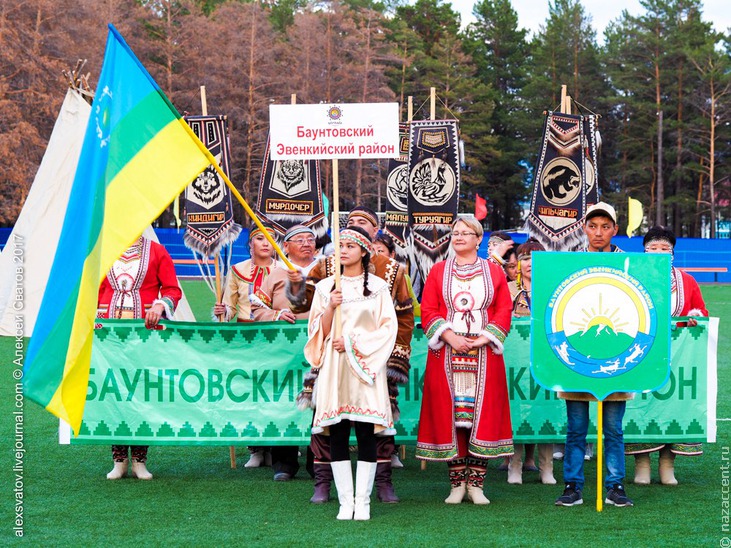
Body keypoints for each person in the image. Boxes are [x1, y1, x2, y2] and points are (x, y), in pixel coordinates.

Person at [291, 206, 414, 504]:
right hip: (332, 361)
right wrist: (297, 283)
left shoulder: (393, 271)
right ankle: (325, 483)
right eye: (349, 224)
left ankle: (379, 485)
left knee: (375, 427)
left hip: (374, 359)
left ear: (371, 236)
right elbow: (301, 306)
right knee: (329, 425)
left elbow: (403, 317)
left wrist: (389, 357)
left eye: (363, 223)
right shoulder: (325, 269)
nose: (354, 227)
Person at [416, 216, 514, 505]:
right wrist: (450, 336)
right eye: (454, 233)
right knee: (453, 418)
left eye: (465, 233)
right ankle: (457, 483)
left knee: (479, 418)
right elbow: (429, 308)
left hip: (483, 353)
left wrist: (484, 338)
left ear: (478, 239)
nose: (458, 237)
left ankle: (477, 484)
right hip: (447, 352)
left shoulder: (494, 272)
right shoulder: (438, 270)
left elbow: (503, 308)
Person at [304, 226, 397, 520]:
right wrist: (331, 306)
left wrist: (354, 343)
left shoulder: (379, 288)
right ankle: (346, 501)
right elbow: (317, 331)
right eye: (340, 245)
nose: (343, 250)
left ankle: (363, 501)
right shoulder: (325, 288)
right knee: (338, 431)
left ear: (363, 251)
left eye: (350, 246)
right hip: (335, 367)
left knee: (367, 431)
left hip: (365, 368)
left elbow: (387, 329)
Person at [556, 201, 634, 507]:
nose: (598, 232)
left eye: (605, 226)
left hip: (618, 357)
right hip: (578, 357)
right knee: (576, 428)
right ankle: (573, 485)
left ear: (615, 229)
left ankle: (615, 486)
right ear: (583, 228)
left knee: (613, 428)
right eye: (592, 226)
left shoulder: (629, 263)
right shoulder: (570, 263)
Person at [626, 226, 708, 485]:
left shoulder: (687, 281)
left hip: (678, 357)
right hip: (642, 356)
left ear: (673, 253)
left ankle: (667, 463)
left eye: (665, 249)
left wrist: (695, 318)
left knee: (672, 405)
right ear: (644, 251)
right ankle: (641, 464)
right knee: (641, 406)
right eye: (653, 248)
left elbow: (701, 312)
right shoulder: (631, 279)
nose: (659, 253)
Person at [98, 235, 182, 480]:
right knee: (114, 394)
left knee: (141, 393)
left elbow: (172, 289)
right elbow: (92, 287)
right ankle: (119, 459)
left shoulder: (156, 251)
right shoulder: (103, 249)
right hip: (108, 334)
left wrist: (160, 305)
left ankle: (139, 460)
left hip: (144, 336)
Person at [250, 225, 319, 481]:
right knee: (285, 400)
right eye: (298, 239)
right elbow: (255, 308)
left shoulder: (326, 270)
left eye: (310, 239)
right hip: (283, 354)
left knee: (320, 401)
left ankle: (318, 462)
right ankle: (284, 464)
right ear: (286, 246)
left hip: (318, 348)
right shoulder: (275, 274)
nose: (305, 243)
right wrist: (276, 314)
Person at [213, 223, 279, 468]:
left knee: (274, 389)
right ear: (250, 244)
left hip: (275, 337)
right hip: (246, 338)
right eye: (260, 238)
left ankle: (277, 447)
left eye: (270, 238)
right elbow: (230, 307)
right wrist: (222, 310)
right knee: (250, 391)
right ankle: (255, 449)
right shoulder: (237, 270)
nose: (265, 243)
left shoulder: (283, 270)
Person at [505, 239, 556, 485]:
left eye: (535, 259)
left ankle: (547, 467)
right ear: (517, 263)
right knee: (516, 410)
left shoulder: (554, 290)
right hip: (514, 361)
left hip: (546, 362)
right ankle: (514, 466)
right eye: (524, 258)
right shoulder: (506, 290)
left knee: (545, 410)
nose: (529, 264)